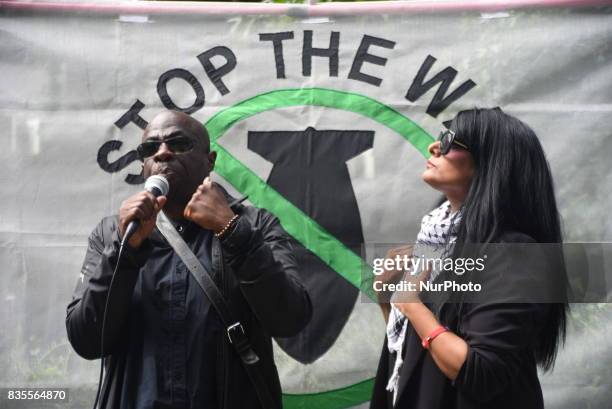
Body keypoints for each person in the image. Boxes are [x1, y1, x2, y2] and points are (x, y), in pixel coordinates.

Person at [66, 110, 312, 409]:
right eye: (150, 148)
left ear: (210, 161)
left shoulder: (255, 225)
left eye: (179, 144)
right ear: (143, 163)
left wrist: (232, 231)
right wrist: (125, 250)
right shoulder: (112, 234)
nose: (163, 153)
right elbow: (87, 340)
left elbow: (291, 319)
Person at [371, 107, 568, 409]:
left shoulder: (514, 255)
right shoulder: (436, 241)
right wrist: (389, 299)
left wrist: (411, 303)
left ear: (489, 164)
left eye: (450, 140)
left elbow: (480, 372)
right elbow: (419, 354)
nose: (434, 147)